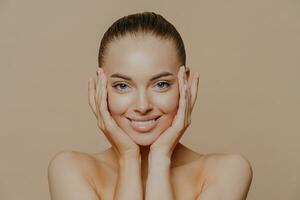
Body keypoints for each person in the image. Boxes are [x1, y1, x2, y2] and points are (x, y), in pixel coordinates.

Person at [48, 11, 253, 200]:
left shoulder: (227, 172)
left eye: (161, 84)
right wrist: (128, 158)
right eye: (122, 85)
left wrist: (160, 159)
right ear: (102, 87)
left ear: (184, 84)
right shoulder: (71, 170)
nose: (142, 105)